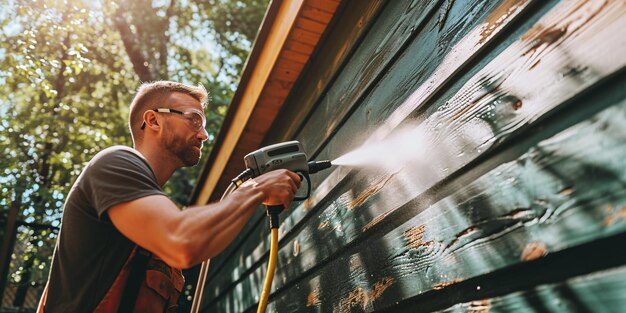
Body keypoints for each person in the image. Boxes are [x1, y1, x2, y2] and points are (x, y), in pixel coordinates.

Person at [38, 81, 301, 312]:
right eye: (194, 119)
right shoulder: (114, 162)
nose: (203, 134)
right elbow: (182, 241)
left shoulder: (152, 209)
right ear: (153, 120)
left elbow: (190, 243)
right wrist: (257, 189)